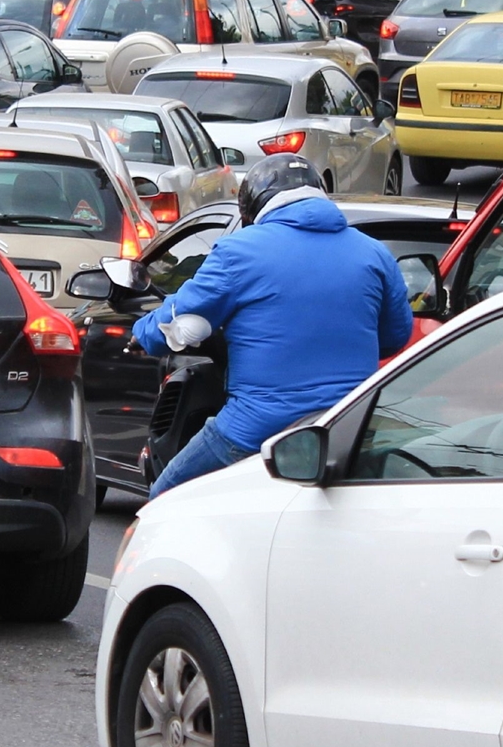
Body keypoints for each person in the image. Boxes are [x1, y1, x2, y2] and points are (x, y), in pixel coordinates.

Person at [134, 155, 413, 495]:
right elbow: (396, 334)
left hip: (255, 429)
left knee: (165, 498)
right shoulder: (374, 252)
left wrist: (142, 333)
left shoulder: (238, 252)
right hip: (348, 425)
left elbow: (179, 316)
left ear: (254, 208)